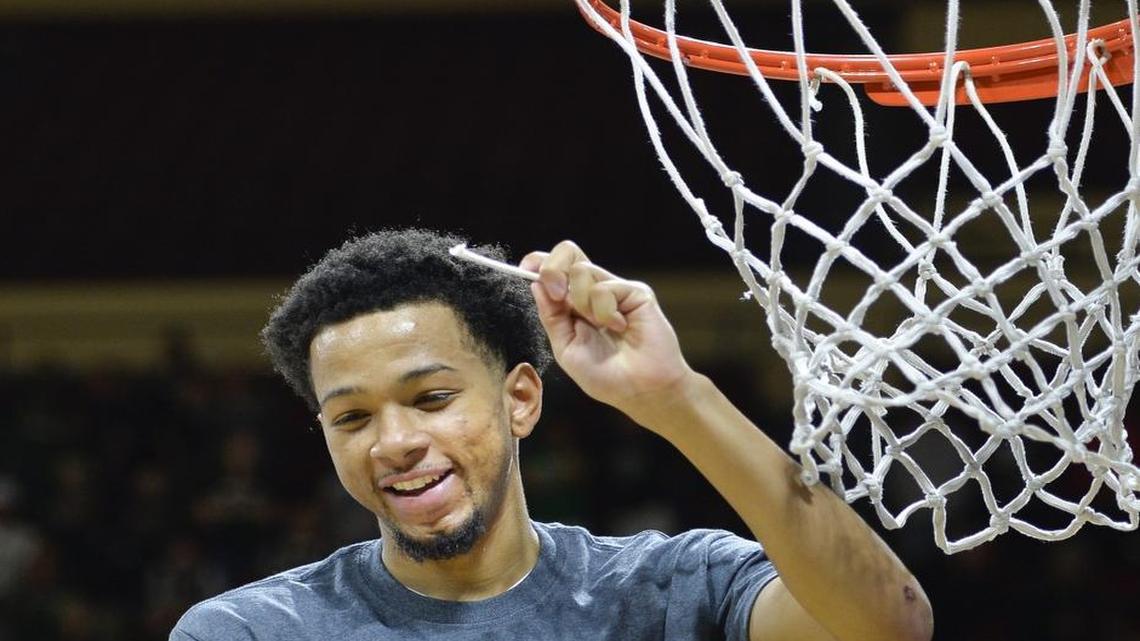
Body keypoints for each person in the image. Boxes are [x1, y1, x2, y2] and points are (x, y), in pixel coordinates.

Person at [170, 228, 933, 641]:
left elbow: (888, 622)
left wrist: (676, 398)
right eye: (353, 416)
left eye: (431, 397)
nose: (393, 440)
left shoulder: (672, 589)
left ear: (521, 399)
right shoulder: (249, 630)